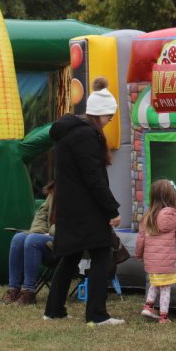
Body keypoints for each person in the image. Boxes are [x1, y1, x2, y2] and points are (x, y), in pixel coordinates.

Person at [42, 77, 125, 327]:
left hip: (69, 207)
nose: (109, 120)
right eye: (109, 116)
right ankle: (97, 314)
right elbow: (93, 178)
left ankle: (54, 310)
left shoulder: (68, 133)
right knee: (102, 254)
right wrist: (111, 209)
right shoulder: (87, 136)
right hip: (87, 209)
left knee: (70, 256)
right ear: (100, 114)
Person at [135, 179, 176, 324]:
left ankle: (148, 306)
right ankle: (163, 317)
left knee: (155, 282)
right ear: (172, 195)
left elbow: (140, 239)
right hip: (167, 261)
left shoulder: (148, 217)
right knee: (165, 288)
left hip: (152, 262)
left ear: (153, 196)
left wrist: (138, 254)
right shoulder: (175, 216)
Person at [3, 182, 56, 306]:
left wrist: (50, 232)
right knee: (18, 238)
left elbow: (73, 222)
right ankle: (14, 289)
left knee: (33, 240)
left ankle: (28, 292)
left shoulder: (78, 189)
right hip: (48, 239)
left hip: (67, 244)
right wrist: (38, 232)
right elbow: (42, 213)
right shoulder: (56, 189)